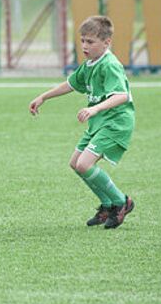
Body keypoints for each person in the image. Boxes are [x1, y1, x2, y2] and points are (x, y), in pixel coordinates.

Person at [29, 16, 135, 229]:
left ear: (107, 42)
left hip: (116, 122)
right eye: (83, 41)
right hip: (100, 122)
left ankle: (122, 202)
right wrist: (44, 97)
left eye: (91, 42)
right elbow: (70, 84)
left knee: (84, 164)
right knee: (75, 163)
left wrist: (94, 108)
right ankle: (107, 206)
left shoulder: (109, 64)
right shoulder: (89, 65)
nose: (85, 46)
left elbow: (122, 96)